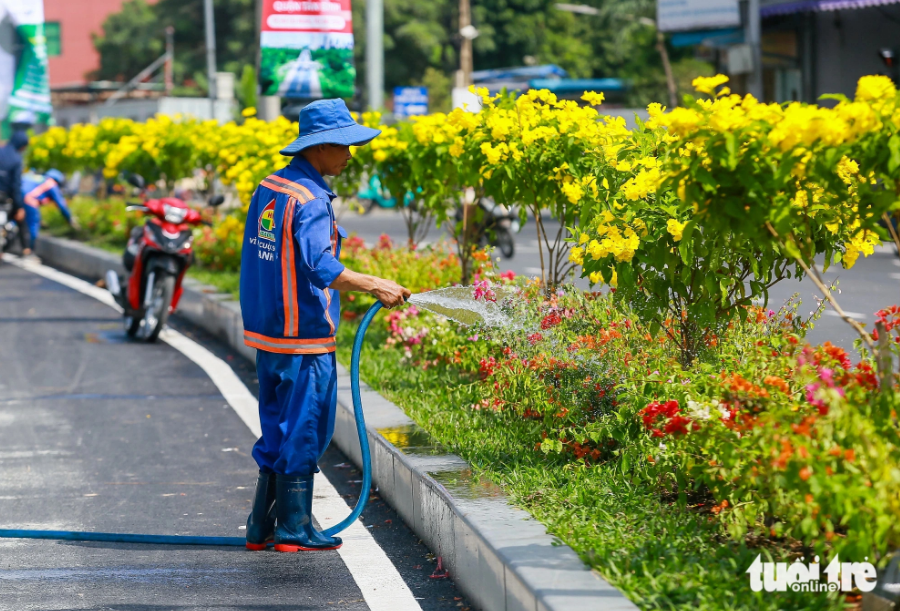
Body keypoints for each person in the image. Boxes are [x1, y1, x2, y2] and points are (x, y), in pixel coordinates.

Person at [240, 99, 410, 553]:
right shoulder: (312, 199)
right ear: (320, 148)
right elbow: (321, 266)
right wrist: (375, 284)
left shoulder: (271, 187)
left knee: (275, 424)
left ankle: (261, 526)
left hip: (268, 334)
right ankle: (294, 529)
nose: (350, 156)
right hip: (304, 337)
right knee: (306, 428)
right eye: (346, 147)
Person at [21, 168, 78, 254]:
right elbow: (61, 205)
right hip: (29, 200)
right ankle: (30, 250)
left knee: (18, 219)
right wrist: (69, 218)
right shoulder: (51, 184)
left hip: (18, 197)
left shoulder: (39, 178)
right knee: (34, 223)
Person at [0, 131, 31, 254]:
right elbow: (16, 186)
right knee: (21, 219)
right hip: (5, 198)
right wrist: (19, 207)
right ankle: (26, 250)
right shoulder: (16, 159)